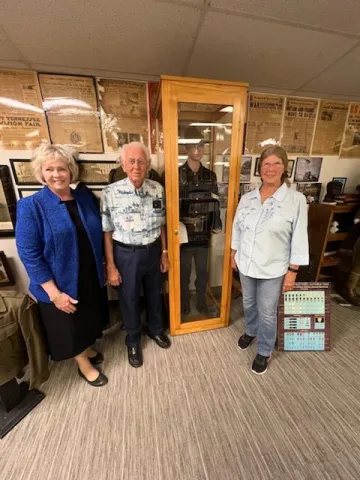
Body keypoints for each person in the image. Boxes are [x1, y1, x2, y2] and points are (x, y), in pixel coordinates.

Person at [16, 144, 108, 387]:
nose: (57, 174)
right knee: (69, 325)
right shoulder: (31, 206)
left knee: (86, 318)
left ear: (71, 170)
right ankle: (83, 364)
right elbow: (29, 253)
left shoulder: (84, 198)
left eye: (62, 168)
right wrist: (54, 293)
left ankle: (86, 349)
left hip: (88, 274)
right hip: (58, 282)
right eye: (50, 169)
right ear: (41, 173)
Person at [231, 145, 309, 375]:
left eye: (276, 163)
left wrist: (293, 270)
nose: (271, 168)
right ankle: (251, 330)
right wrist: (233, 253)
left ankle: (264, 350)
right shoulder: (248, 198)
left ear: (284, 167)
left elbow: (299, 236)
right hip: (246, 262)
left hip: (274, 267)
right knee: (248, 303)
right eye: (266, 164)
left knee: (267, 310)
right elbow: (237, 226)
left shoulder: (295, 200)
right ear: (260, 168)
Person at [102, 142, 170, 368]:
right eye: (131, 161)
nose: (136, 166)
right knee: (129, 298)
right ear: (122, 164)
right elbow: (107, 231)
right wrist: (111, 265)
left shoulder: (157, 189)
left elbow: (162, 224)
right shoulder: (110, 192)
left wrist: (164, 252)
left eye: (141, 161)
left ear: (148, 165)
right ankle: (132, 340)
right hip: (126, 254)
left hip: (152, 251)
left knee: (154, 293)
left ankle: (156, 330)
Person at [179, 126, 222, 315]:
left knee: (203, 272)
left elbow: (215, 201)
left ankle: (201, 301)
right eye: (193, 146)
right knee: (184, 272)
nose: (198, 149)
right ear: (186, 149)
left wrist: (216, 224)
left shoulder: (210, 175)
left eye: (201, 145)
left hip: (204, 233)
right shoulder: (176, 174)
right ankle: (183, 302)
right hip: (183, 233)